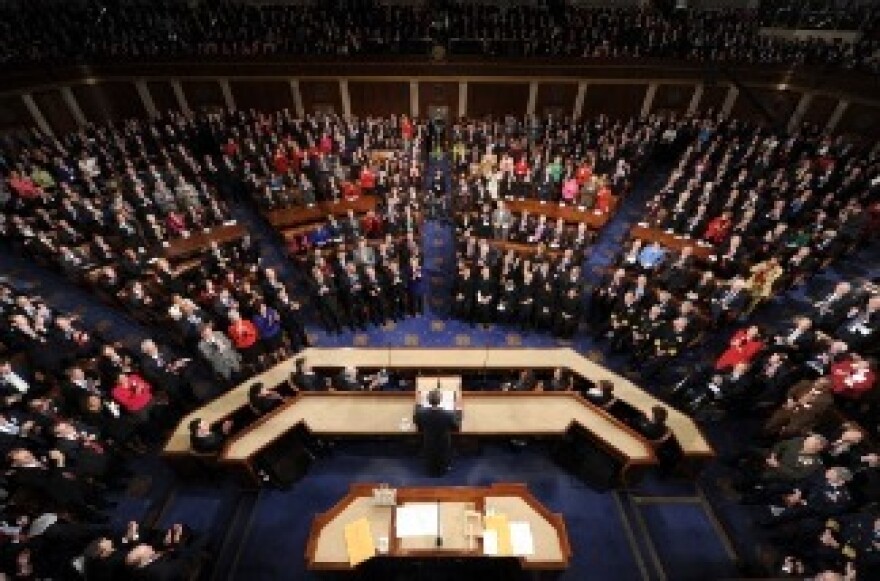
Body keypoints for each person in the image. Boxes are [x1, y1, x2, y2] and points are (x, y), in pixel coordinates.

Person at [413, 389, 461, 476]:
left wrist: (418, 403)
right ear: (440, 400)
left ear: (428, 400)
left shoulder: (421, 413)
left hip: (428, 445)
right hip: (444, 446)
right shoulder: (449, 414)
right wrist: (458, 408)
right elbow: (457, 426)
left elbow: (416, 419)